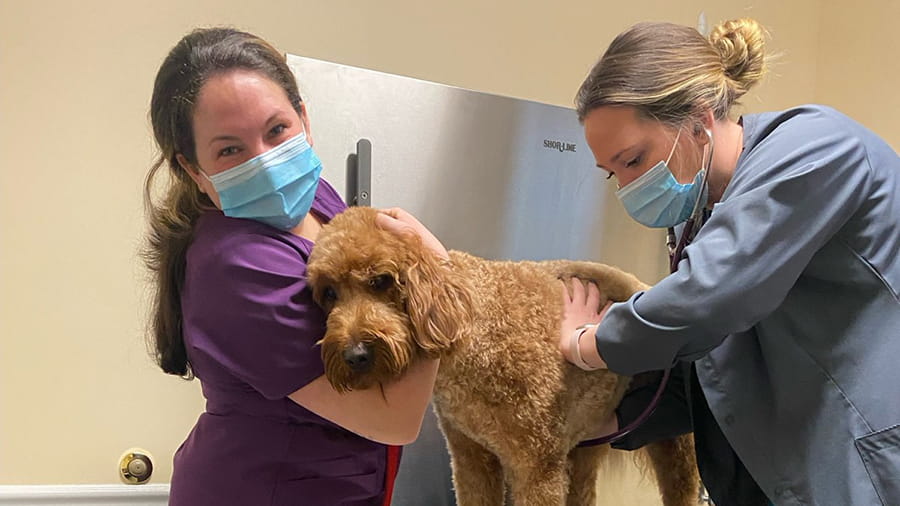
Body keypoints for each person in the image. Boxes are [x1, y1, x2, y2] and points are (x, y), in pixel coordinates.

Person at [556, 17, 900, 506]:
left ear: (698, 121)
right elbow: (710, 362)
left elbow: (704, 302)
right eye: (612, 174)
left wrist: (588, 343)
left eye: (633, 161)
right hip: (771, 474)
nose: (629, 187)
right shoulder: (701, 214)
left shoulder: (816, 150)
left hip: (861, 467)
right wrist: (612, 418)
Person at [143, 27, 446, 505]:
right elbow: (394, 419)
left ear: (303, 117)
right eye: (229, 150)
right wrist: (437, 276)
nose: (265, 163)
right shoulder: (237, 269)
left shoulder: (315, 196)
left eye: (276, 129)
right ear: (193, 169)